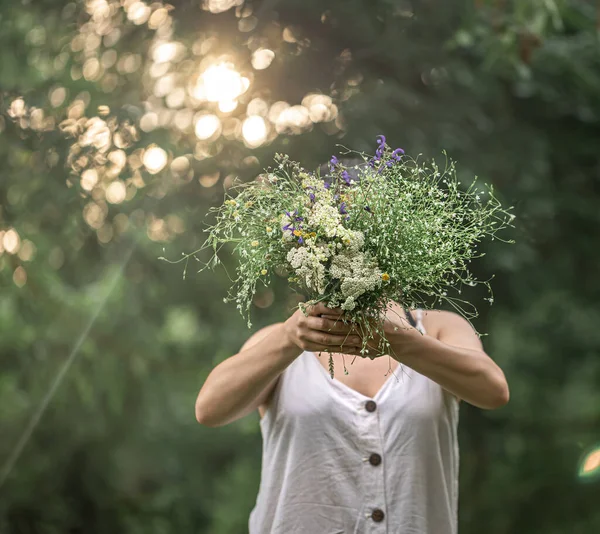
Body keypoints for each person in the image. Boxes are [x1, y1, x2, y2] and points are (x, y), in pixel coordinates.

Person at [194, 160, 510, 534]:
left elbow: (493, 391)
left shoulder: (437, 327)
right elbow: (209, 410)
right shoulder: (281, 341)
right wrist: (287, 339)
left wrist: (402, 342)